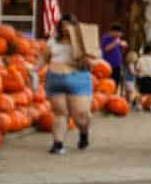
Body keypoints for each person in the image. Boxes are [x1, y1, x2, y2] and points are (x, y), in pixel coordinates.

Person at [39, 13, 97, 155]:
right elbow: (44, 57)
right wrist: (34, 69)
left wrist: (90, 61)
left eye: (68, 26)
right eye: (63, 26)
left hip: (78, 78)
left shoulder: (84, 40)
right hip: (55, 78)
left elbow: (95, 61)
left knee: (81, 115)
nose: (65, 29)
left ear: (74, 27)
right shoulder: (53, 41)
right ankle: (58, 144)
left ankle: (84, 132)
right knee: (60, 113)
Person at [100, 23, 126, 91]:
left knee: (116, 83)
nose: (121, 35)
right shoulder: (106, 37)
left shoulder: (117, 39)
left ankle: (114, 96)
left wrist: (123, 46)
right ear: (114, 31)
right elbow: (106, 49)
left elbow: (120, 51)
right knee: (108, 84)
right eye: (120, 33)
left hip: (117, 66)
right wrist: (115, 43)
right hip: (108, 66)